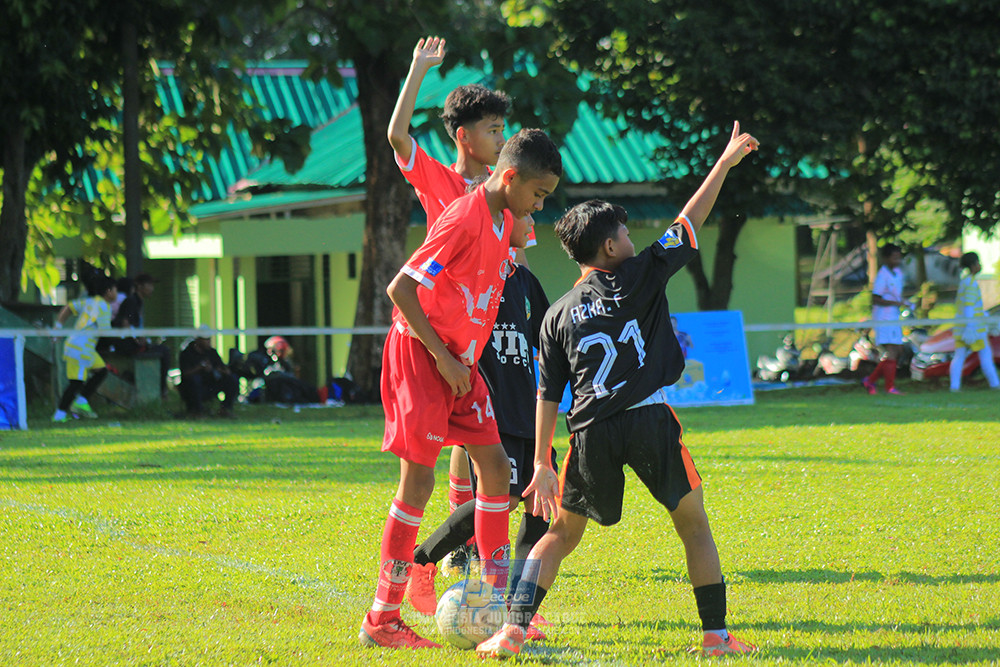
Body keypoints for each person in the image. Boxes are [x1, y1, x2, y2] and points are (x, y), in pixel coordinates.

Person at [476, 122, 759, 658]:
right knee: (694, 525)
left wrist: (540, 463)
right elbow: (690, 219)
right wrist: (722, 164)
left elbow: (548, 392)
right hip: (650, 418)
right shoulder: (644, 273)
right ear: (610, 246)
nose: (635, 241)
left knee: (559, 534)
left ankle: (512, 630)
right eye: (627, 235)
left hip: (589, 431)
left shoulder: (556, 314)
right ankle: (717, 637)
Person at [358, 128, 562, 650]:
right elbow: (401, 288)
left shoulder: (501, 222)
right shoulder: (466, 215)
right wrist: (445, 358)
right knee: (418, 486)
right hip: (423, 357)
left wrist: (462, 361)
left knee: (495, 470)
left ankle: (495, 602)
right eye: (537, 196)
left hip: (459, 366)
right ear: (510, 177)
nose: (537, 207)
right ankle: (383, 619)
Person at [387, 35, 516, 569]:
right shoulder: (442, 182)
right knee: (433, 464)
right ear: (464, 137)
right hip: (429, 333)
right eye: (492, 129)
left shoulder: (506, 196)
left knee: (486, 452)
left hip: (475, 333)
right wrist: (418, 68)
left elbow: (515, 266)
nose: (501, 137)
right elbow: (397, 135)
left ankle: (477, 567)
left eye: (503, 129)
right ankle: (435, 564)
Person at [404, 215, 555, 642]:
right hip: (490, 409)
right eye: (525, 211)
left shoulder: (525, 281)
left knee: (538, 505)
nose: (531, 218)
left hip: (530, 409)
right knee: (502, 500)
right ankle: (423, 560)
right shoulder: (477, 277)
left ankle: (517, 609)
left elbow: (549, 336)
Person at [52, 275, 118, 423]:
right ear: (108, 291)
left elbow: (68, 307)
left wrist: (58, 326)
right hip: (80, 348)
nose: (116, 293)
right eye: (115, 290)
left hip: (85, 348)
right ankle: (59, 415)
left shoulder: (89, 301)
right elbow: (105, 332)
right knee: (76, 383)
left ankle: (81, 402)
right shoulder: (104, 306)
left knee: (102, 371)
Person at [109, 273, 172, 397]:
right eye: (149, 285)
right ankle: (161, 390)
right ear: (139, 286)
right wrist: (137, 338)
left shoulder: (138, 302)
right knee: (165, 352)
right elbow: (125, 322)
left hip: (131, 344)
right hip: (126, 346)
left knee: (162, 351)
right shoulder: (131, 301)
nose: (152, 288)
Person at [949, 252, 1000, 391]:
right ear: (972, 265)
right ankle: (995, 384)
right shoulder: (971, 283)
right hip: (974, 328)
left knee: (959, 356)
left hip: (962, 326)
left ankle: (954, 387)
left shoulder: (964, 282)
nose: (980, 265)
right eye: (978, 262)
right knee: (985, 356)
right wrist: (970, 326)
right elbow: (969, 307)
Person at [862, 244, 908, 395]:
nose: (897, 260)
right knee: (892, 351)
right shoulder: (882, 275)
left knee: (898, 350)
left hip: (894, 317)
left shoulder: (897, 273)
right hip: (884, 318)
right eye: (894, 257)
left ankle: (871, 380)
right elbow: (876, 298)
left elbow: (896, 294)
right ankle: (889, 387)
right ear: (886, 258)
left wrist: (905, 302)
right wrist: (895, 303)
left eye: (898, 257)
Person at [178, 325, 239, 417]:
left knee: (232, 379)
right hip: (193, 388)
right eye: (206, 340)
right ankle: (197, 411)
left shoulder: (212, 352)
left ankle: (225, 409)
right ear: (198, 340)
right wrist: (199, 368)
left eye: (209, 339)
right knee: (194, 380)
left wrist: (218, 370)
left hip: (210, 385)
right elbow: (185, 374)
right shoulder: (187, 353)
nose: (208, 342)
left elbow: (224, 369)